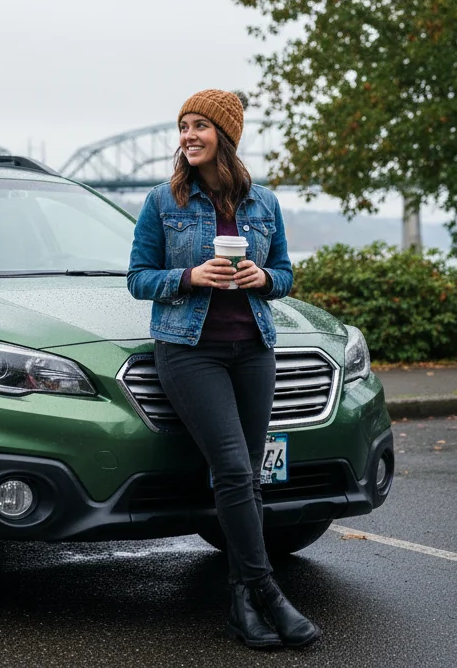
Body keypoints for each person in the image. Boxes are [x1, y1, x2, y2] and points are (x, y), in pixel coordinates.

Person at [127, 89, 320, 649]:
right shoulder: (163, 203)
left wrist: (265, 280)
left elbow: (284, 272)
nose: (188, 136)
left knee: (247, 477)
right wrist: (189, 278)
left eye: (199, 127)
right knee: (235, 470)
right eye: (183, 126)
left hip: (254, 349)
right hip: (190, 351)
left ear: (225, 136)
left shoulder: (263, 203)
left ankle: (241, 601)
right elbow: (138, 277)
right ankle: (268, 593)